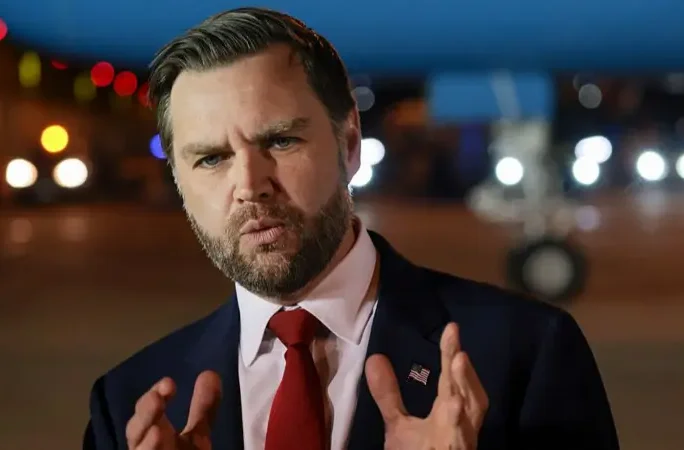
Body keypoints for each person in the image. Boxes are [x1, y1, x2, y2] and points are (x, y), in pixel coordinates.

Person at [83, 7, 619, 450]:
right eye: (211, 159)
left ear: (349, 145)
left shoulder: (526, 356)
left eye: (281, 141)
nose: (250, 185)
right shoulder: (125, 405)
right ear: (179, 181)